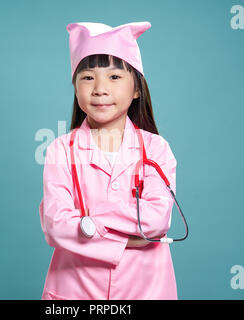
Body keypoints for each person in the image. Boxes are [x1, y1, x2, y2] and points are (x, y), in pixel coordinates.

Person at [39, 21, 178, 300]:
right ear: (75, 88)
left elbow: (155, 220)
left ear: (137, 89)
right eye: (88, 77)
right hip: (75, 290)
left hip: (146, 288)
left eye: (115, 77)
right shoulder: (60, 150)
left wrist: (88, 222)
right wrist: (128, 239)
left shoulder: (156, 149)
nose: (100, 88)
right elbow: (55, 225)